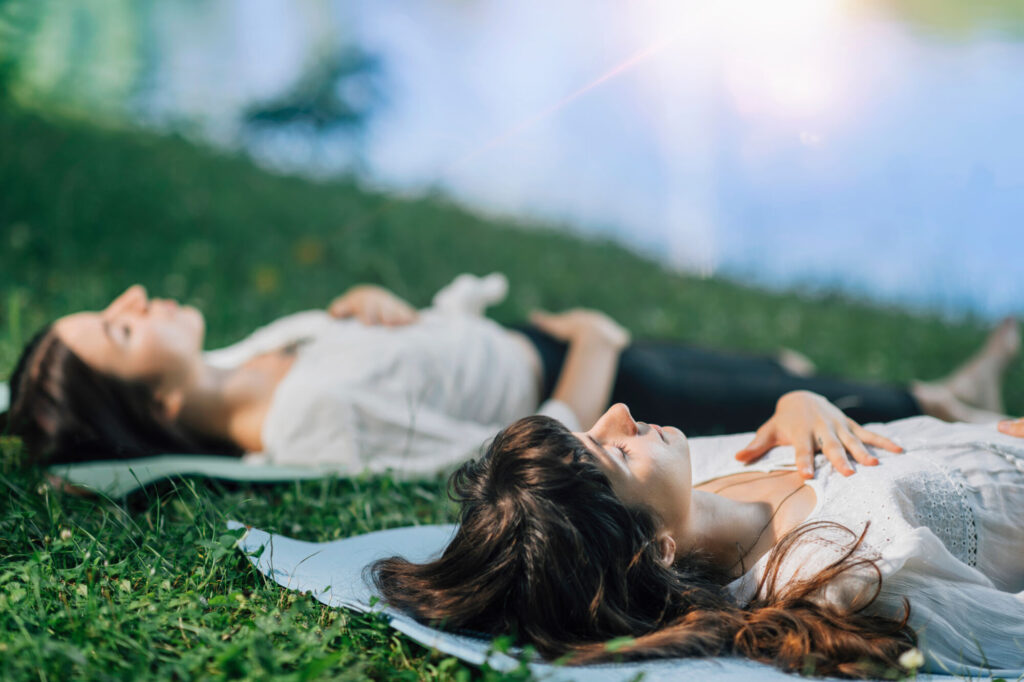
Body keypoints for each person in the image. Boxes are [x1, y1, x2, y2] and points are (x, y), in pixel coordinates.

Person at [370, 315, 1024, 676]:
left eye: (595, 429)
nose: (620, 412)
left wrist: (800, 404)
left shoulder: (703, 472)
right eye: (619, 451)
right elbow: (1005, 635)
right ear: (658, 548)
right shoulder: (837, 570)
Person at [3, 274, 1017, 480]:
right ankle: (950, 400)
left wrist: (371, 306)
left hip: (542, 338)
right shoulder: (302, 422)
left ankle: (950, 388)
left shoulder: (240, 360)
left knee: (780, 366)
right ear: (163, 403)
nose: (134, 295)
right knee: (800, 401)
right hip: (607, 385)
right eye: (120, 328)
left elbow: (385, 348)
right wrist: (590, 348)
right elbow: (514, 455)